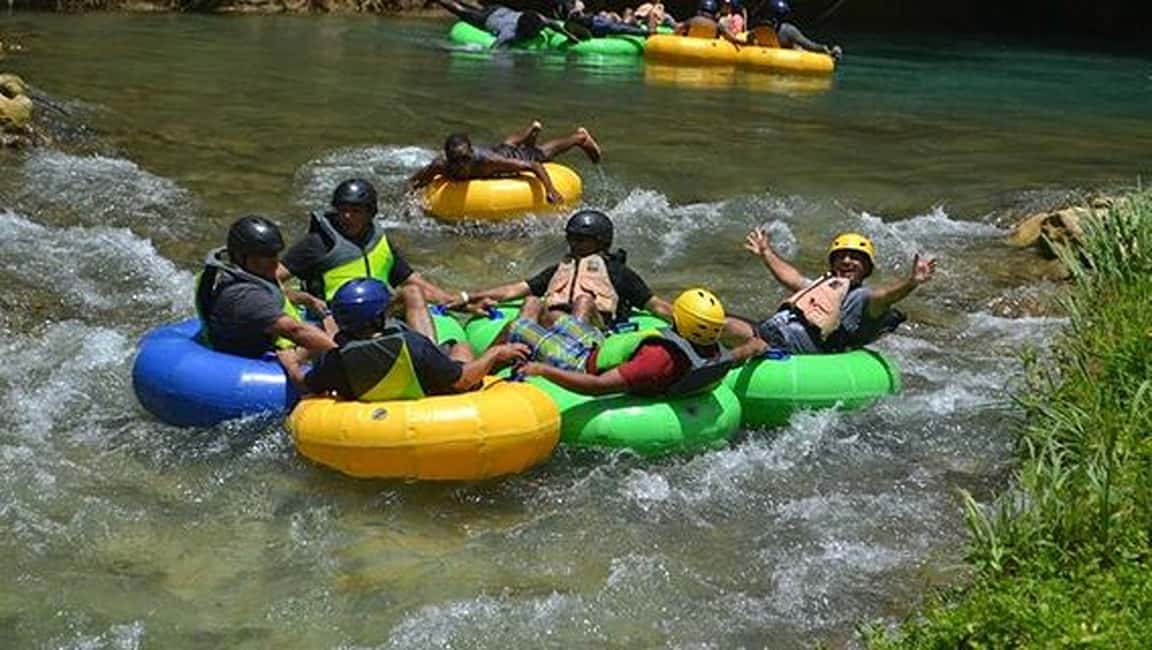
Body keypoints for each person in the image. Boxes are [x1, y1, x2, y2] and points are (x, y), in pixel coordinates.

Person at [283, 279, 529, 400]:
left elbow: (305, 383)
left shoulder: (335, 358)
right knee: (461, 346)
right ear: (379, 317)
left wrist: (291, 362)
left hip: (371, 415)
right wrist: (494, 354)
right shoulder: (412, 344)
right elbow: (462, 382)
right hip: (430, 399)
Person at [519, 288, 767, 396]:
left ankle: (488, 375)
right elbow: (735, 357)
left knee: (521, 320)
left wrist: (542, 370)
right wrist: (753, 347)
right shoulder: (712, 351)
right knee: (555, 316)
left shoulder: (656, 358)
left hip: (580, 362)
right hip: (600, 342)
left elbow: (596, 386)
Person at [726, 229, 936, 354]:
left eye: (855, 257)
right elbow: (792, 278)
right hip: (774, 330)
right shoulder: (827, 286)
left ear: (867, 267)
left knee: (725, 328)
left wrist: (911, 282)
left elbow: (887, 295)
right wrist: (766, 253)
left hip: (788, 346)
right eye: (841, 256)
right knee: (716, 319)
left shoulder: (864, 299)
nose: (846, 261)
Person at [460, 209, 673, 329]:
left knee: (584, 302)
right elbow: (513, 290)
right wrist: (467, 297)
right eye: (571, 238)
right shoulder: (559, 269)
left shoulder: (617, 273)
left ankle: (573, 347)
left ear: (601, 242)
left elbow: (655, 306)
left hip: (593, 332)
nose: (574, 244)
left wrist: (691, 325)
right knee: (532, 301)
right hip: (553, 324)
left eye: (581, 240)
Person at [278, 178, 459, 314]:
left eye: (356, 211)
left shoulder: (379, 241)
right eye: (343, 210)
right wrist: (301, 298)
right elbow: (267, 280)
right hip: (336, 318)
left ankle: (428, 355)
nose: (347, 216)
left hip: (379, 316)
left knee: (412, 292)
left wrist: (454, 300)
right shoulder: (318, 243)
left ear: (370, 214)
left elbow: (412, 280)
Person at [195, 216, 335, 359]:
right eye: (265, 255)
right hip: (248, 361)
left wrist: (307, 299)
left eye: (275, 254)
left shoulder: (248, 275)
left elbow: (276, 294)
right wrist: (342, 355)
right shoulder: (245, 296)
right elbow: (294, 330)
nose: (275, 261)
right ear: (240, 256)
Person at [408, 122, 600, 206]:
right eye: (456, 161)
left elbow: (534, 167)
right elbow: (416, 182)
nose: (461, 165)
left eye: (465, 158)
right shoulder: (440, 165)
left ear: (472, 154)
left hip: (504, 156)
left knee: (540, 154)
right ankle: (530, 132)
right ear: (448, 158)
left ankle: (579, 138)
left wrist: (549, 189)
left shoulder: (486, 163)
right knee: (504, 145)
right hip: (498, 151)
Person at [748, 0, 841, 60]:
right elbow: (809, 45)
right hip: (784, 54)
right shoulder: (787, 30)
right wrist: (824, 49)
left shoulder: (757, 28)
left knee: (797, 46)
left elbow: (750, 38)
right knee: (799, 45)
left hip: (768, 53)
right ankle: (830, 51)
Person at [436, 0, 551, 48]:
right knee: (462, 12)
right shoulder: (509, 33)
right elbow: (495, 48)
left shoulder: (540, 21)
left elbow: (554, 25)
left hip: (499, 10)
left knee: (472, 9)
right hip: (486, 18)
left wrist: (569, 36)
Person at [675, 0, 745, 45]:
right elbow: (732, 38)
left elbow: (677, 32)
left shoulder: (692, 20)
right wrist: (744, 43)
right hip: (709, 50)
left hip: (689, 48)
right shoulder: (717, 25)